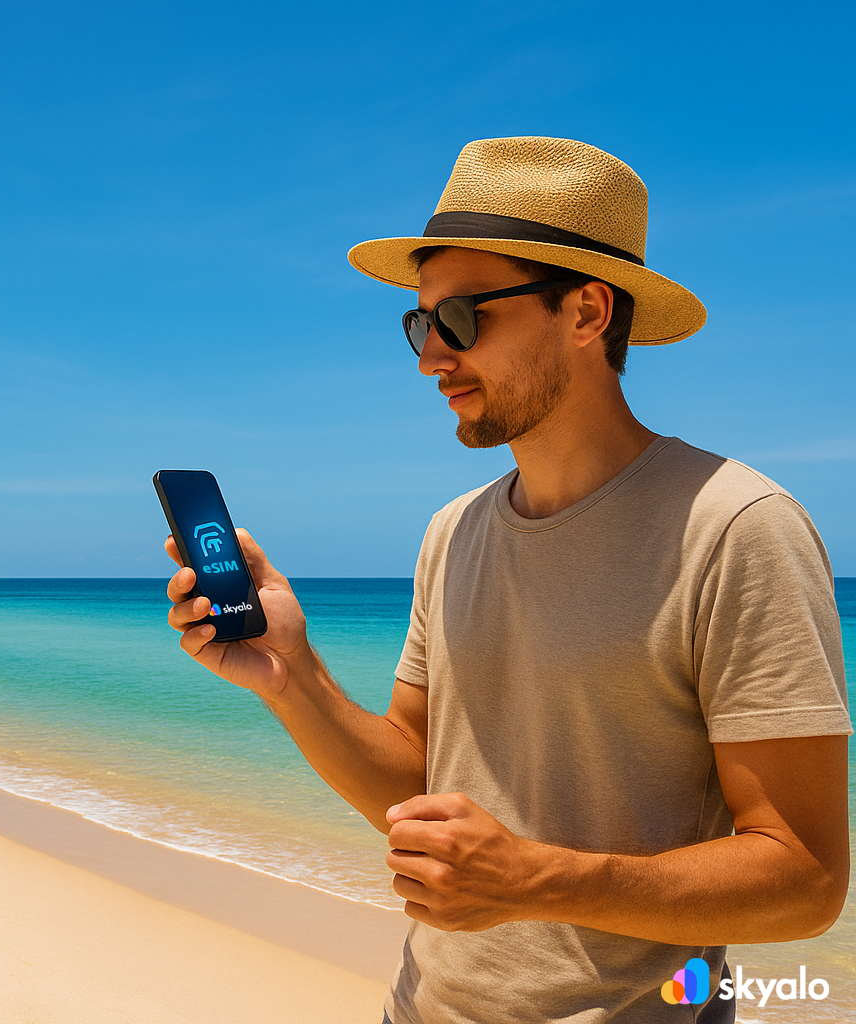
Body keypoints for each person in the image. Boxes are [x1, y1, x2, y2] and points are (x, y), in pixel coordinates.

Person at [163, 137, 850, 1024]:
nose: (428, 358)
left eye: (459, 320)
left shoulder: (735, 527)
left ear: (588, 312)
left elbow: (805, 878)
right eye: (419, 325)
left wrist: (534, 879)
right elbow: (414, 786)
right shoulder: (453, 532)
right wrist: (290, 675)